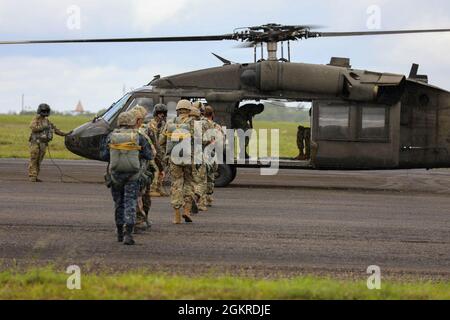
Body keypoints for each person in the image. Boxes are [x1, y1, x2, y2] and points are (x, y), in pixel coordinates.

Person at [101, 111, 153, 245]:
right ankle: (128, 234)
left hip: (115, 175)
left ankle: (119, 232)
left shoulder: (111, 136)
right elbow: (149, 155)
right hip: (133, 176)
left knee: (118, 203)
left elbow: (104, 155)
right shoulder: (138, 136)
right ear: (132, 122)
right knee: (130, 202)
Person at [160, 100, 195, 224]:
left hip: (174, 158)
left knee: (176, 184)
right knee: (189, 183)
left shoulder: (170, 123)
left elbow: (161, 141)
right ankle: (187, 210)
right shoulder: (194, 123)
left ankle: (176, 216)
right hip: (189, 158)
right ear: (189, 110)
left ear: (178, 110)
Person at [130, 106, 163, 231]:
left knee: (127, 196)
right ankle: (141, 219)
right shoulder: (146, 131)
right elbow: (154, 152)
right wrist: (161, 168)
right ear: (140, 119)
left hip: (122, 170)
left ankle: (125, 222)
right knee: (143, 195)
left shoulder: (118, 133)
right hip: (142, 169)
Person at [28, 103, 72, 182]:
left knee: (39, 160)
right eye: (43, 111)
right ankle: (32, 176)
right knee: (34, 159)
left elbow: (56, 130)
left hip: (43, 144)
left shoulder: (47, 121)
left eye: (46, 111)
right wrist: (43, 127)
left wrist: (66, 134)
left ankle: (35, 175)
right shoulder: (36, 119)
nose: (45, 113)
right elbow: (33, 127)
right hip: (35, 143)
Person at [204, 105, 224, 207]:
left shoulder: (198, 125)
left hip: (198, 154)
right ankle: (208, 197)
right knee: (210, 176)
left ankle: (199, 198)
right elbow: (221, 143)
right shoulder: (216, 127)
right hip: (211, 154)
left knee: (198, 177)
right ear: (213, 114)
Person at [148, 104, 169, 197]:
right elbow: (154, 140)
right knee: (155, 170)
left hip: (161, 151)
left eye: (163, 113)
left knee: (162, 170)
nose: (162, 115)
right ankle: (152, 189)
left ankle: (159, 187)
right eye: (160, 113)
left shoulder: (164, 124)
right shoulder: (151, 124)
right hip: (153, 150)